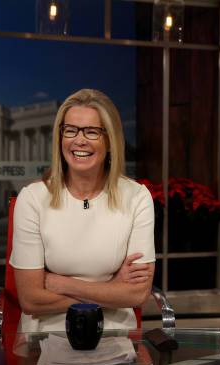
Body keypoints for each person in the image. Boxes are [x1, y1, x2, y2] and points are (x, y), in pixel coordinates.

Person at [10, 88, 155, 332]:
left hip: (114, 332)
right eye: (71, 130)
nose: (79, 140)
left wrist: (57, 283)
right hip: (45, 336)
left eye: (91, 132)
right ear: (60, 137)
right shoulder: (33, 198)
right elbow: (31, 299)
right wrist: (111, 291)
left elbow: (137, 294)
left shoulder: (137, 197)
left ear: (110, 140)